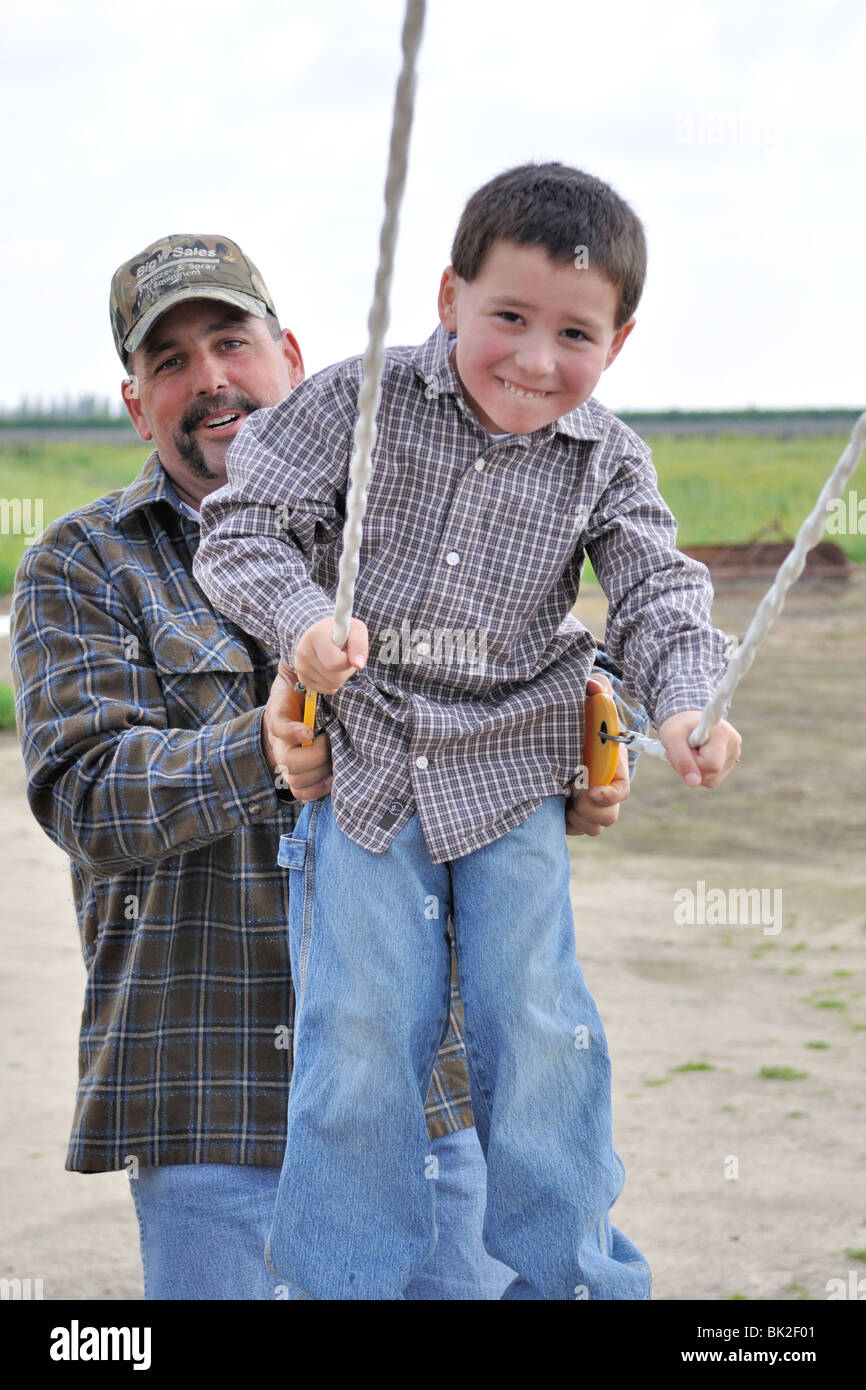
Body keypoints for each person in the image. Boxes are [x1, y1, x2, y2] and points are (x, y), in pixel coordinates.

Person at [10, 231, 630, 1301]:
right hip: (215, 1104)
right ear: (135, 403)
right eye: (169, 361)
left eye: (230, 342)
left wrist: (582, 743)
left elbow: (535, 658)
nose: (209, 379)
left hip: (428, 1102)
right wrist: (262, 747)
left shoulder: (408, 514)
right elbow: (84, 792)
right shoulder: (81, 561)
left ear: (290, 357)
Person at [194, 163, 743, 1301]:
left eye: (573, 333)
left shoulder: (607, 459)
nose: (535, 360)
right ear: (447, 296)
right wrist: (304, 628)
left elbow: (653, 593)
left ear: (618, 342)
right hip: (373, 760)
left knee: (540, 1032)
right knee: (357, 1038)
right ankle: (342, 1285)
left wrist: (685, 703)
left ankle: (574, 1281)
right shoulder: (358, 402)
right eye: (507, 317)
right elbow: (243, 522)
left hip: (511, 763)